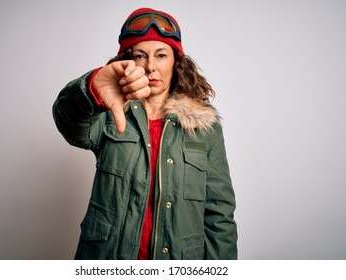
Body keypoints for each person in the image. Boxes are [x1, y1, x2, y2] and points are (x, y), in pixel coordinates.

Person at [52, 7, 237, 260]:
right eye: (140, 56)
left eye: (161, 55)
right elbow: (68, 122)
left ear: (176, 62)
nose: (151, 67)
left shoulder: (204, 125)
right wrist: (91, 88)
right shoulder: (107, 113)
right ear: (127, 61)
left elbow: (220, 214)